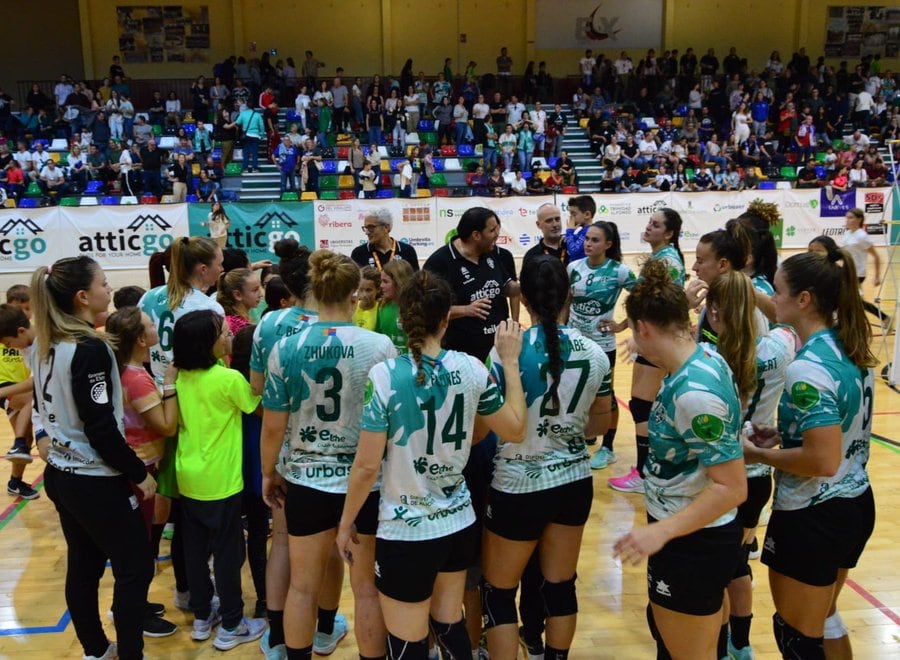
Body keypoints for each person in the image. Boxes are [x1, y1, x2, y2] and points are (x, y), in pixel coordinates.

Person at [336, 271, 528, 660]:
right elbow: (516, 430)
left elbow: (366, 466)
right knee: (448, 624)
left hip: (406, 533)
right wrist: (509, 363)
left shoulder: (386, 376)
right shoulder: (473, 368)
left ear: (404, 319)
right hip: (457, 523)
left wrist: (345, 524)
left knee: (407, 642)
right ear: (446, 320)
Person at [261, 250, 397, 660]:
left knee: (302, 586)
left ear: (315, 294)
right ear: (354, 295)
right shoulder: (379, 345)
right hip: (365, 483)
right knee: (366, 589)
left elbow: (272, 426)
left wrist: (268, 473)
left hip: (306, 479)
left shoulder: (286, 347)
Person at [744, 250, 877, 660]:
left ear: (803, 299)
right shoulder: (851, 347)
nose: (773, 299)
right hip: (854, 503)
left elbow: (821, 461)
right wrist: (785, 434)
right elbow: (840, 430)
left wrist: (756, 455)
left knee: (797, 636)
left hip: (813, 514)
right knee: (825, 619)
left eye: (779, 292)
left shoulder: (808, 368)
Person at [613, 257, 747, 660]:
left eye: (637, 335)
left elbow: (733, 487)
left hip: (693, 540)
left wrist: (662, 532)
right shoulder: (704, 355)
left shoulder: (695, 392)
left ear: (645, 328)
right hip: (692, 531)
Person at [481, 256, 611, 660]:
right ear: (568, 295)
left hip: (518, 486)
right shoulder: (595, 354)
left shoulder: (507, 351)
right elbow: (597, 426)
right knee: (560, 585)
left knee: (499, 591)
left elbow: (492, 428)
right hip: (573, 481)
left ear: (526, 300)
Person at [31, 256, 156, 660]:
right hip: (94, 479)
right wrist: (139, 473)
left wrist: (43, 437)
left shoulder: (43, 343)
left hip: (63, 476)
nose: (109, 288)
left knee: (83, 567)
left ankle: (96, 650)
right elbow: (101, 426)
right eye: (104, 283)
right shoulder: (90, 349)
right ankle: (130, 654)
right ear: (84, 297)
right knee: (135, 566)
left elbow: (40, 406)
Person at [249, 239, 347, 658]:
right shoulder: (350, 328)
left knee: (285, 545)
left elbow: (257, 394)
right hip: (338, 457)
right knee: (331, 552)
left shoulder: (269, 324)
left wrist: (272, 461)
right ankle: (325, 629)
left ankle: (276, 636)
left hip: (288, 454)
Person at [702, 272, 797, 660]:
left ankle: (721, 646)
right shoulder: (780, 345)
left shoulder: (713, 359)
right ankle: (741, 644)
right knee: (739, 565)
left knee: (716, 570)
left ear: (715, 312)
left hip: (723, 473)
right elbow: (787, 321)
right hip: (758, 475)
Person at [172, 309, 266, 650]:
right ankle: (232, 624)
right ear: (206, 343)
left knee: (195, 551)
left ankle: (202, 616)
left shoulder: (181, 377)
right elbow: (259, 409)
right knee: (228, 554)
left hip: (189, 477)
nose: (229, 337)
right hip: (222, 480)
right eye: (223, 334)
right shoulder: (228, 380)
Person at [105, 306, 180, 638]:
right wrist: (170, 385)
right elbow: (165, 425)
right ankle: (132, 615)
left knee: (141, 545)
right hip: (141, 467)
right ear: (140, 338)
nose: (156, 328)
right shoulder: (135, 378)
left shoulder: (128, 369)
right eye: (151, 325)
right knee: (138, 550)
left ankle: (133, 604)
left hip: (143, 465)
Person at [608, 209, 685, 493]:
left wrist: (640, 338)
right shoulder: (661, 258)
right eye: (649, 222)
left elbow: (658, 306)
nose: (648, 227)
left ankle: (643, 475)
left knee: (642, 404)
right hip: (652, 337)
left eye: (656, 225)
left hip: (656, 340)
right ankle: (650, 468)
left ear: (668, 233)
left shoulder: (667, 261)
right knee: (646, 404)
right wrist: (623, 327)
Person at [567, 222, 636, 470]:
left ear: (608, 244)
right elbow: (565, 303)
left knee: (605, 396)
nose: (588, 243)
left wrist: (621, 326)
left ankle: (608, 447)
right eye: (587, 238)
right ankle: (577, 435)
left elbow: (642, 301)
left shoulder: (620, 272)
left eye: (595, 240)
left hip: (603, 345)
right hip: (575, 343)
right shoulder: (573, 268)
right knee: (575, 391)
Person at [842, 207, 888, 325]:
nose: (847, 220)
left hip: (858, 273)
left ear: (859, 219)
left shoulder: (862, 236)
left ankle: (884, 317)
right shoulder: (847, 233)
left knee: (854, 300)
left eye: (850, 218)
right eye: (847, 217)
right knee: (853, 300)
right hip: (847, 270)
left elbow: (876, 256)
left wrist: (877, 276)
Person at [350, 208, 420, 272]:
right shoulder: (358, 253)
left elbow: (415, 282)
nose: (367, 232)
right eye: (365, 228)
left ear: (386, 227)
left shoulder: (407, 251)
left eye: (371, 227)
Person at [375, 259, 415, 354]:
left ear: (399, 282)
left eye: (385, 282)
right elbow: (378, 338)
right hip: (389, 364)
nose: (381, 285)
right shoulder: (382, 307)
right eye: (381, 281)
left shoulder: (416, 307)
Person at [217, 269, 263, 336]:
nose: (261, 294)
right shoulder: (242, 328)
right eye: (255, 290)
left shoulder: (229, 319)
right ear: (237, 295)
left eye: (260, 287)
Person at [564, 196, 596, 262]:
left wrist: (569, 231)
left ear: (587, 214)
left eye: (574, 214)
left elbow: (573, 251)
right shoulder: (582, 230)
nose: (571, 218)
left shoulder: (588, 231)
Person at [353, 267, 381, 331]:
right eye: (361, 289)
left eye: (369, 290)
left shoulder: (381, 311)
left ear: (378, 289)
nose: (364, 295)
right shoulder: (351, 309)